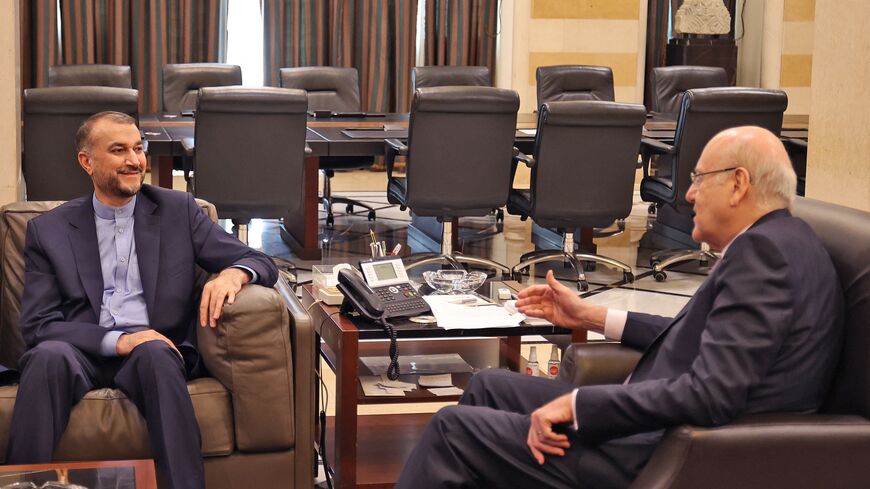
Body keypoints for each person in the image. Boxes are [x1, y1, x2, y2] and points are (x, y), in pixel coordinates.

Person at [395, 126, 844, 489]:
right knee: (490, 386)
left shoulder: (765, 256)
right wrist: (587, 316)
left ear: (738, 183)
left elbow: (711, 394)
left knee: (452, 430)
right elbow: (693, 337)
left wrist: (579, 406)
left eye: (698, 179)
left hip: (659, 450)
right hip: (653, 428)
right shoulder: (780, 244)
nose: (688, 195)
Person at [5, 111, 279, 489]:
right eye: (118, 150)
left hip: (152, 348)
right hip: (79, 350)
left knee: (157, 353)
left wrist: (234, 273)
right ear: (87, 162)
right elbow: (39, 325)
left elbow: (260, 260)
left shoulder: (178, 211)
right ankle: (22, 485)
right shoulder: (48, 230)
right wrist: (118, 340)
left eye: (138, 148)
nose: (134, 160)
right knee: (45, 357)